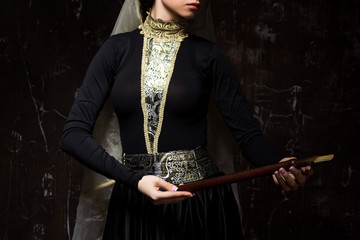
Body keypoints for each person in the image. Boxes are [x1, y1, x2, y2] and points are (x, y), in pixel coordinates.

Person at [61, 0, 313, 239]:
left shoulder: (208, 54)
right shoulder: (116, 49)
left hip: (198, 205)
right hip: (132, 206)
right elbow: (73, 135)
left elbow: (247, 135)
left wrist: (278, 162)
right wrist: (135, 180)